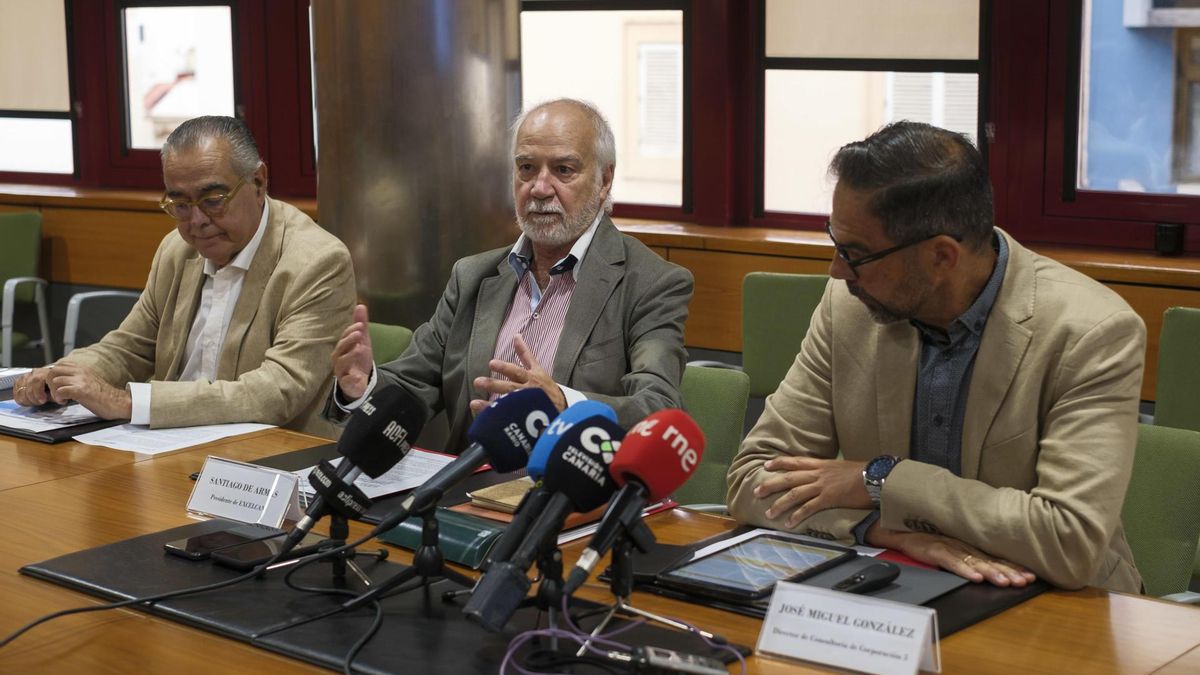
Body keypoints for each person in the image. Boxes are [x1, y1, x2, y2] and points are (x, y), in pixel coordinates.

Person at [727, 121, 1146, 593]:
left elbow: (1069, 541)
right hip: (898, 586)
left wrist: (882, 480)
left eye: (856, 253)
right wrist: (883, 531)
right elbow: (752, 482)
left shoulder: (1091, 331)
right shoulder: (849, 305)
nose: (837, 269)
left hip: (1058, 603)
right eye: (834, 241)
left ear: (942, 257)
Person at [330, 98, 693, 452]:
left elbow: (658, 409)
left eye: (564, 170)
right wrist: (363, 387)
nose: (539, 187)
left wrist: (564, 403)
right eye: (526, 168)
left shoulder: (650, 283)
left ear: (604, 181)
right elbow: (413, 384)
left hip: (574, 500)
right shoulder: (473, 276)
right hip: (467, 492)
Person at [12, 116, 355, 437]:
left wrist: (129, 403)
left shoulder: (317, 262)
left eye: (213, 199)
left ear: (258, 182)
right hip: (170, 446)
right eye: (179, 204)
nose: (196, 221)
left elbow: (275, 392)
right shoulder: (177, 249)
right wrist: (60, 376)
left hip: (265, 463)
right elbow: (130, 347)